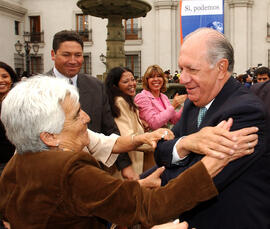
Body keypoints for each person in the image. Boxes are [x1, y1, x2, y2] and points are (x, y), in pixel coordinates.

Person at [0, 76, 258, 228]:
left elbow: (81, 205)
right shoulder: (69, 169)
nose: (87, 118)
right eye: (77, 115)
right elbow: (149, 208)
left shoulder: (15, 167)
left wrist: (141, 184)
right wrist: (213, 163)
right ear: (49, 136)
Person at [154, 28, 270, 228]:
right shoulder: (193, 102)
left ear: (221, 68)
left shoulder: (246, 112)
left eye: (192, 69)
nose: (182, 78)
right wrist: (185, 144)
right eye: (181, 68)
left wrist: (155, 177)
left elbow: (200, 179)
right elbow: (161, 151)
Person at [46, 30, 132, 177]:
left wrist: (125, 166)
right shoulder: (38, 89)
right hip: (54, 172)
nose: (73, 60)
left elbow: (109, 128)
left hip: (94, 170)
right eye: (66, 55)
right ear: (53, 55)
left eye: (78, 55)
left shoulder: (96, 86)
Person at [105, 67, 155, 181]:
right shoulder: (120, 102)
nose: (132, 84)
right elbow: (127, 137)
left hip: (134, 160)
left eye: (133, 79)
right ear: (115, 85)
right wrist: (154, 141)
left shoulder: (126, 100)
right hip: (129, 164)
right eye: (125, 81)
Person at [134, 65, 187, 130]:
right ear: (147, 80)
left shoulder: (163, 97)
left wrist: (187, 104)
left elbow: (174, 120)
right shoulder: (142, 97)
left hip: (164, 136)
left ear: (163, 79)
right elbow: (153, 123)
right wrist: (173, 106)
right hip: (150, 138)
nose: (156, 79)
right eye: (152, 77)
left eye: (159, 76)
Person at [0, 61, 20, 175]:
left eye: (4, 76)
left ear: (11, 79)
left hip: (20, 160)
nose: (1, 80)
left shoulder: (22, 102)